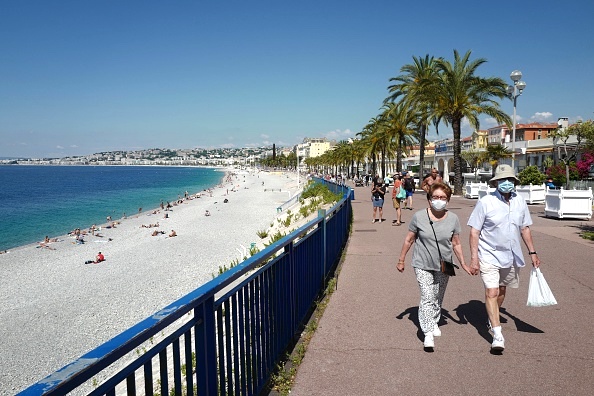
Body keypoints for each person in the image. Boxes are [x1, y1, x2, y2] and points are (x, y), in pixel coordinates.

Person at [468, 164, 541, 352]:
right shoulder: (485, 202)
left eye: (509, 179)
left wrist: (532, 252)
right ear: (495, 182)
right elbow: (474, 232)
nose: (506, 183)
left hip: (510, 255)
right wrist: (474, 259)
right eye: (502, 180)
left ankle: (493, 315)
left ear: (514, 182)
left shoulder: (520, 202)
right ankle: (498, 334)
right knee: (491, 292)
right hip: (489, 254)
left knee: (501, 291)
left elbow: (525, 228)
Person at [396, 182, 471, 350]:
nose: (439, 200)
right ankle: (428, 332)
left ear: (448, 200)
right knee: (427, 296)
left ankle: (435, 320)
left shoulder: (453, 218)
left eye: (443, 198)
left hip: (444, 264)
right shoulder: (419, 216)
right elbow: (409, 239)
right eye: (436, 197)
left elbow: (456, 243)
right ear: (429, 199)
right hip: (422, 263)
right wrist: (401, 259)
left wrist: (464, 263)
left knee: (438, 295)